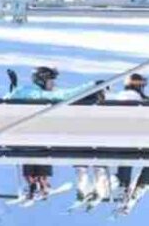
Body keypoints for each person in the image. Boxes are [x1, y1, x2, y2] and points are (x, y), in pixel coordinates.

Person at [6, 66, 98, 199]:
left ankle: (34, 182)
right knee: (43, 141)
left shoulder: (22, 91)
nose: (53, 84)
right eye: (51, 81)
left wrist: (13, 89)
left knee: (37, 141)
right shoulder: (36, 93)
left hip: (22, 140)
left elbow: (8, 99)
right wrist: (91, 86)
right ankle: (40, 181)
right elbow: (62, 96)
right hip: (35, 141)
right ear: (42, 80)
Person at [114, 74, 149, 201]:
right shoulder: (136, 98)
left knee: (126, 152)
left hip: (118, 141)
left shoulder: (119, 97)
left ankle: (123, 183)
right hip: (136, 140)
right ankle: (145, 182)